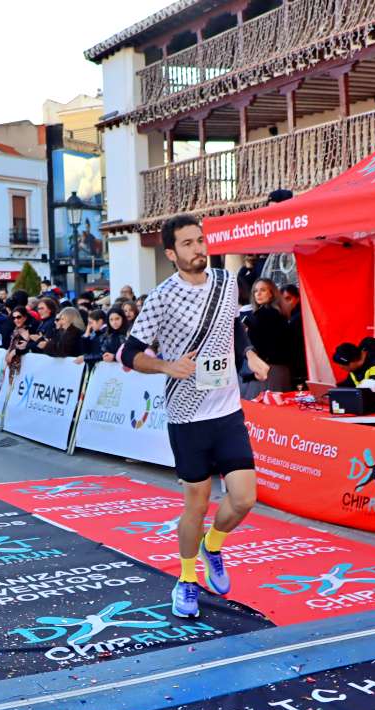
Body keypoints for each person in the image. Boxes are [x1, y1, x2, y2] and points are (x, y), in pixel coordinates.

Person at [121, 214, 269, 620]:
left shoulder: (226, 282)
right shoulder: (162, 297)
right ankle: (187, 580)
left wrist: (250, 353)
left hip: (227, 410)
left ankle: (213, 545)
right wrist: (168, 367)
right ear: (171, 253)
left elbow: (234, 325)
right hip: (187, 417)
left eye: (200, 240)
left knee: (244, 498)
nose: (198, 249)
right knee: (196, 505)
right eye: (187, 244)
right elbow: (128, 352)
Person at [241, 278, 292, 395]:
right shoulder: (277, 313)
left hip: (266, 370)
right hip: (276, 370)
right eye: (255, 291)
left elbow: (260, 344)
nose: (258, 294)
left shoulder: (266, 314)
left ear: (271, 294)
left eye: (262, 290)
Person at [279, 284, 307, 386]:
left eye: (288, 299)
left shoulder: (299, 317)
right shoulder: (286, 317)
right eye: (282, 300)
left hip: (301, 366)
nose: (285, 303)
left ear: (297, 298)